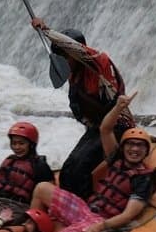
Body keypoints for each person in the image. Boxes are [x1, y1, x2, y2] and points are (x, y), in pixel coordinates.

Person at [28, 92, 156, 232]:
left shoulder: (144, 179)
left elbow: (128, 215)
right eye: (130, 144)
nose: (134, 149)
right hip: (85, 209)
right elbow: (105, 129)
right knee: (42, 188)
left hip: (100, 220)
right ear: (123, 147)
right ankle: (30, 227)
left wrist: (103, 225)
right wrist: (118, 107)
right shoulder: (116, 158)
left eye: (140, 146)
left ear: (146, 151)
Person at [30, 17, 135, 199]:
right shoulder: (74, 76)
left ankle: (88, 207)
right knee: (68, 171)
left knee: (78, 169)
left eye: (65, 56)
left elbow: (75, 49)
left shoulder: (98, 62)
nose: (63, 60)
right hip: (97, 128)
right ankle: (76, 204)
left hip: (118, 127)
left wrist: (47, 31)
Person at [0, 121, 54, 210]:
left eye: (21, 143)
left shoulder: (40, 165)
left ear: (31, 145)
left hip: (19, 208)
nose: (17, 147)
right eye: (14, 143)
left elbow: (48, 197)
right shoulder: (9, 161)